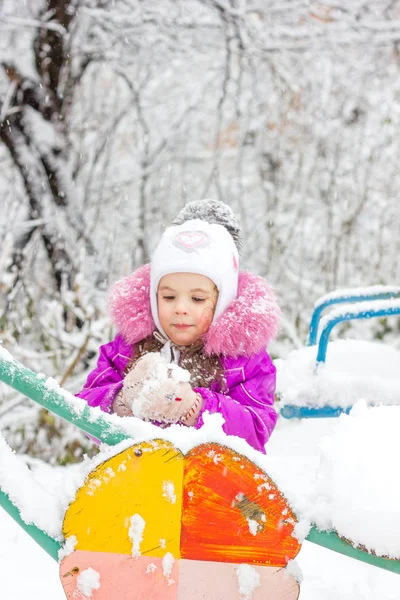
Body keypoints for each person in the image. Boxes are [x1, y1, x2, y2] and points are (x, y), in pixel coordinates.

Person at [76, 200, 280, 453]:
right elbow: (83, 411)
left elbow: (256, 430)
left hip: (213, 483)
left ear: (222, 300)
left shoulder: (243, 360)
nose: (180, 308)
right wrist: (121, 400)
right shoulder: (126, 349)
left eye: (197, 299)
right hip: (134, 478)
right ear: (153, 296)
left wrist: (195, 407)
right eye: (169, 297)